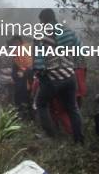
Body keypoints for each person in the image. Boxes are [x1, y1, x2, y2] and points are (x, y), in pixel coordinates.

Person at [33, 9, 84, 143]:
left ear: (43, 21)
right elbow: (80, 51)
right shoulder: (68, 31)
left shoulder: (42, 35)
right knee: (73, 108)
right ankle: (79, 139)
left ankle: (51, 136)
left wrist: (40, 73)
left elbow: (39, 59)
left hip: (53, 79)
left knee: (41, 103)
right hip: (70, 76)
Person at [8, 36, 33, 117]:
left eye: (14, 43)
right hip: (23, 75)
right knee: (19, 91)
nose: (13, 45)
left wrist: (24, 72)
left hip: (28, 75)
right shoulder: (17, 51)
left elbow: (30, 65)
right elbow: (17, 65)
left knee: (23, 93)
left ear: (18, 41)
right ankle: (20, 109)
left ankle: (24, 111)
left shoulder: (25, 48)